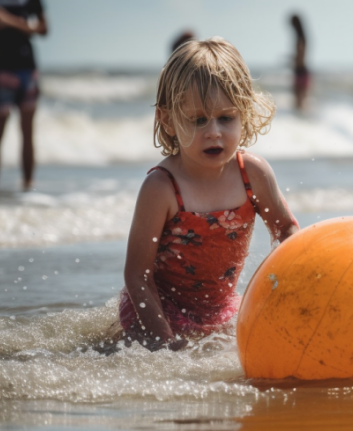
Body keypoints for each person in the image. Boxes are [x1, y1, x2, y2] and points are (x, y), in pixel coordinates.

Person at [119, 38, 299, 351]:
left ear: (243, 112)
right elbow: (137, 275)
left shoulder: (251, 175)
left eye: (226, 118)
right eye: (198, 120)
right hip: (159, 311)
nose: (213, 131)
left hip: (222, 309)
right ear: (168, 120)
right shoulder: (162, 188)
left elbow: (286, 231)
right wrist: (163, 343)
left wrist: (287, 294)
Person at [0, 0, 48, 192]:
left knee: (28, 133)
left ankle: (28, 187)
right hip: (1, 70)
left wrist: (10, 20)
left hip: (28, 70)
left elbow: (44, 29)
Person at [289, 14, 310, 112]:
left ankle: (301, 122)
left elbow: (300, 57)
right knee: (301, 102)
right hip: (302, 71)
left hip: (300, 71)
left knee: (299, 102)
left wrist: (292, 60)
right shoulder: (303, 38)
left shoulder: (300, 40)